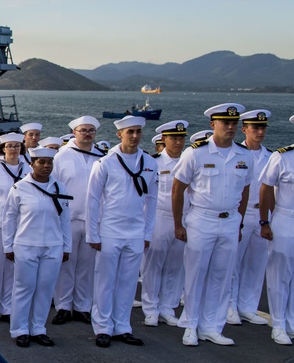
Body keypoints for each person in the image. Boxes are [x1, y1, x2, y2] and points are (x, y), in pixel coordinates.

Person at [173, 103, 255, 346]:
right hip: (201, 220)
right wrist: (178, 224)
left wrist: (239, 224)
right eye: (225, 123)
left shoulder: (244, 155)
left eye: (234, 123)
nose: (230, 127)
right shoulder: (196, 153)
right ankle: (190, 324)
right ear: (213, 125)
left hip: (230, 221)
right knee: (196, 274)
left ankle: (212, 326)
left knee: (222, 275)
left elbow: (245, 190)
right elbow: (178, 189)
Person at [86, 116, 156, 348]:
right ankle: (103, 327)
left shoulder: (149, 162)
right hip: (110, 230)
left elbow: (152, 200)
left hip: (135, 231)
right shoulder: (105, 163)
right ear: (120, 134)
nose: (135, 136)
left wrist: (147, 233)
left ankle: (123, 326)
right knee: (105, 281)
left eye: (138, 131)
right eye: (130, 132)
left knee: (128, 282)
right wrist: (93, 234)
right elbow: (93, 200)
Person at [3, 146, 71, 348]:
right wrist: (8, 245)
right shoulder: (20, 188)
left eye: (49, 162)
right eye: (41, 162)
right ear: (32, 164)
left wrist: (67, 246)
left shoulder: (60, 187)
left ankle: (38, 328)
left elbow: (65, 219)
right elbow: (9, 218)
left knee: (45, 288)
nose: (46, 166)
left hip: (53, 245)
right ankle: (20, 329)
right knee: (24, 288)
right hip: (26, 244)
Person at [52, 116, 105, 326]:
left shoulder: (102, 157)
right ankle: (63, 306)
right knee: (66, 263)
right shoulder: (61, 157)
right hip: (68, 218)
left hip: (94, 219)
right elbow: (53, 188)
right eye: (83, 130)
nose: (87, 134)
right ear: (74, 133)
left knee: (87, 265)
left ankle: (83, 306)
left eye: (91, 130)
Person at [140, 120, 189, 327]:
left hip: (185, 217)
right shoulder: (154, 163)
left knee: (175, 266)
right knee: (153, 265)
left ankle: (168, 307)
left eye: (181, 138)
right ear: (163, 139)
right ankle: (150, 308)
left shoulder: (190, 161)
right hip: (160, 217)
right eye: (174, 138)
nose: (178, 142)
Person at [227, 109, 273, 325]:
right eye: (255, 127)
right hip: (240, 212)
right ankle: (230, 305)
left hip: (263, 213)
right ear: (244, 129)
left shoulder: (272, 156)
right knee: (234, 262)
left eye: (263, 127)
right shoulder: (235, 153)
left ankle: (248, 306)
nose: (260, 131)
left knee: (256, 263)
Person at [0, 132, 28, 324]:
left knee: (12, 267)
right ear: (2, 149)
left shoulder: (27, 168)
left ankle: (7, 307)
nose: (13, 149)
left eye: (17, 146)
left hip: (20, 224)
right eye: (10, 146)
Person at [258, 115, 294, 345]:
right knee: (280, 275)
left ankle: (291, 321)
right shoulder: (283, 157)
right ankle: (279, 324)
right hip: (285, 218)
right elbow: (266, 188)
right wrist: (265, 222)